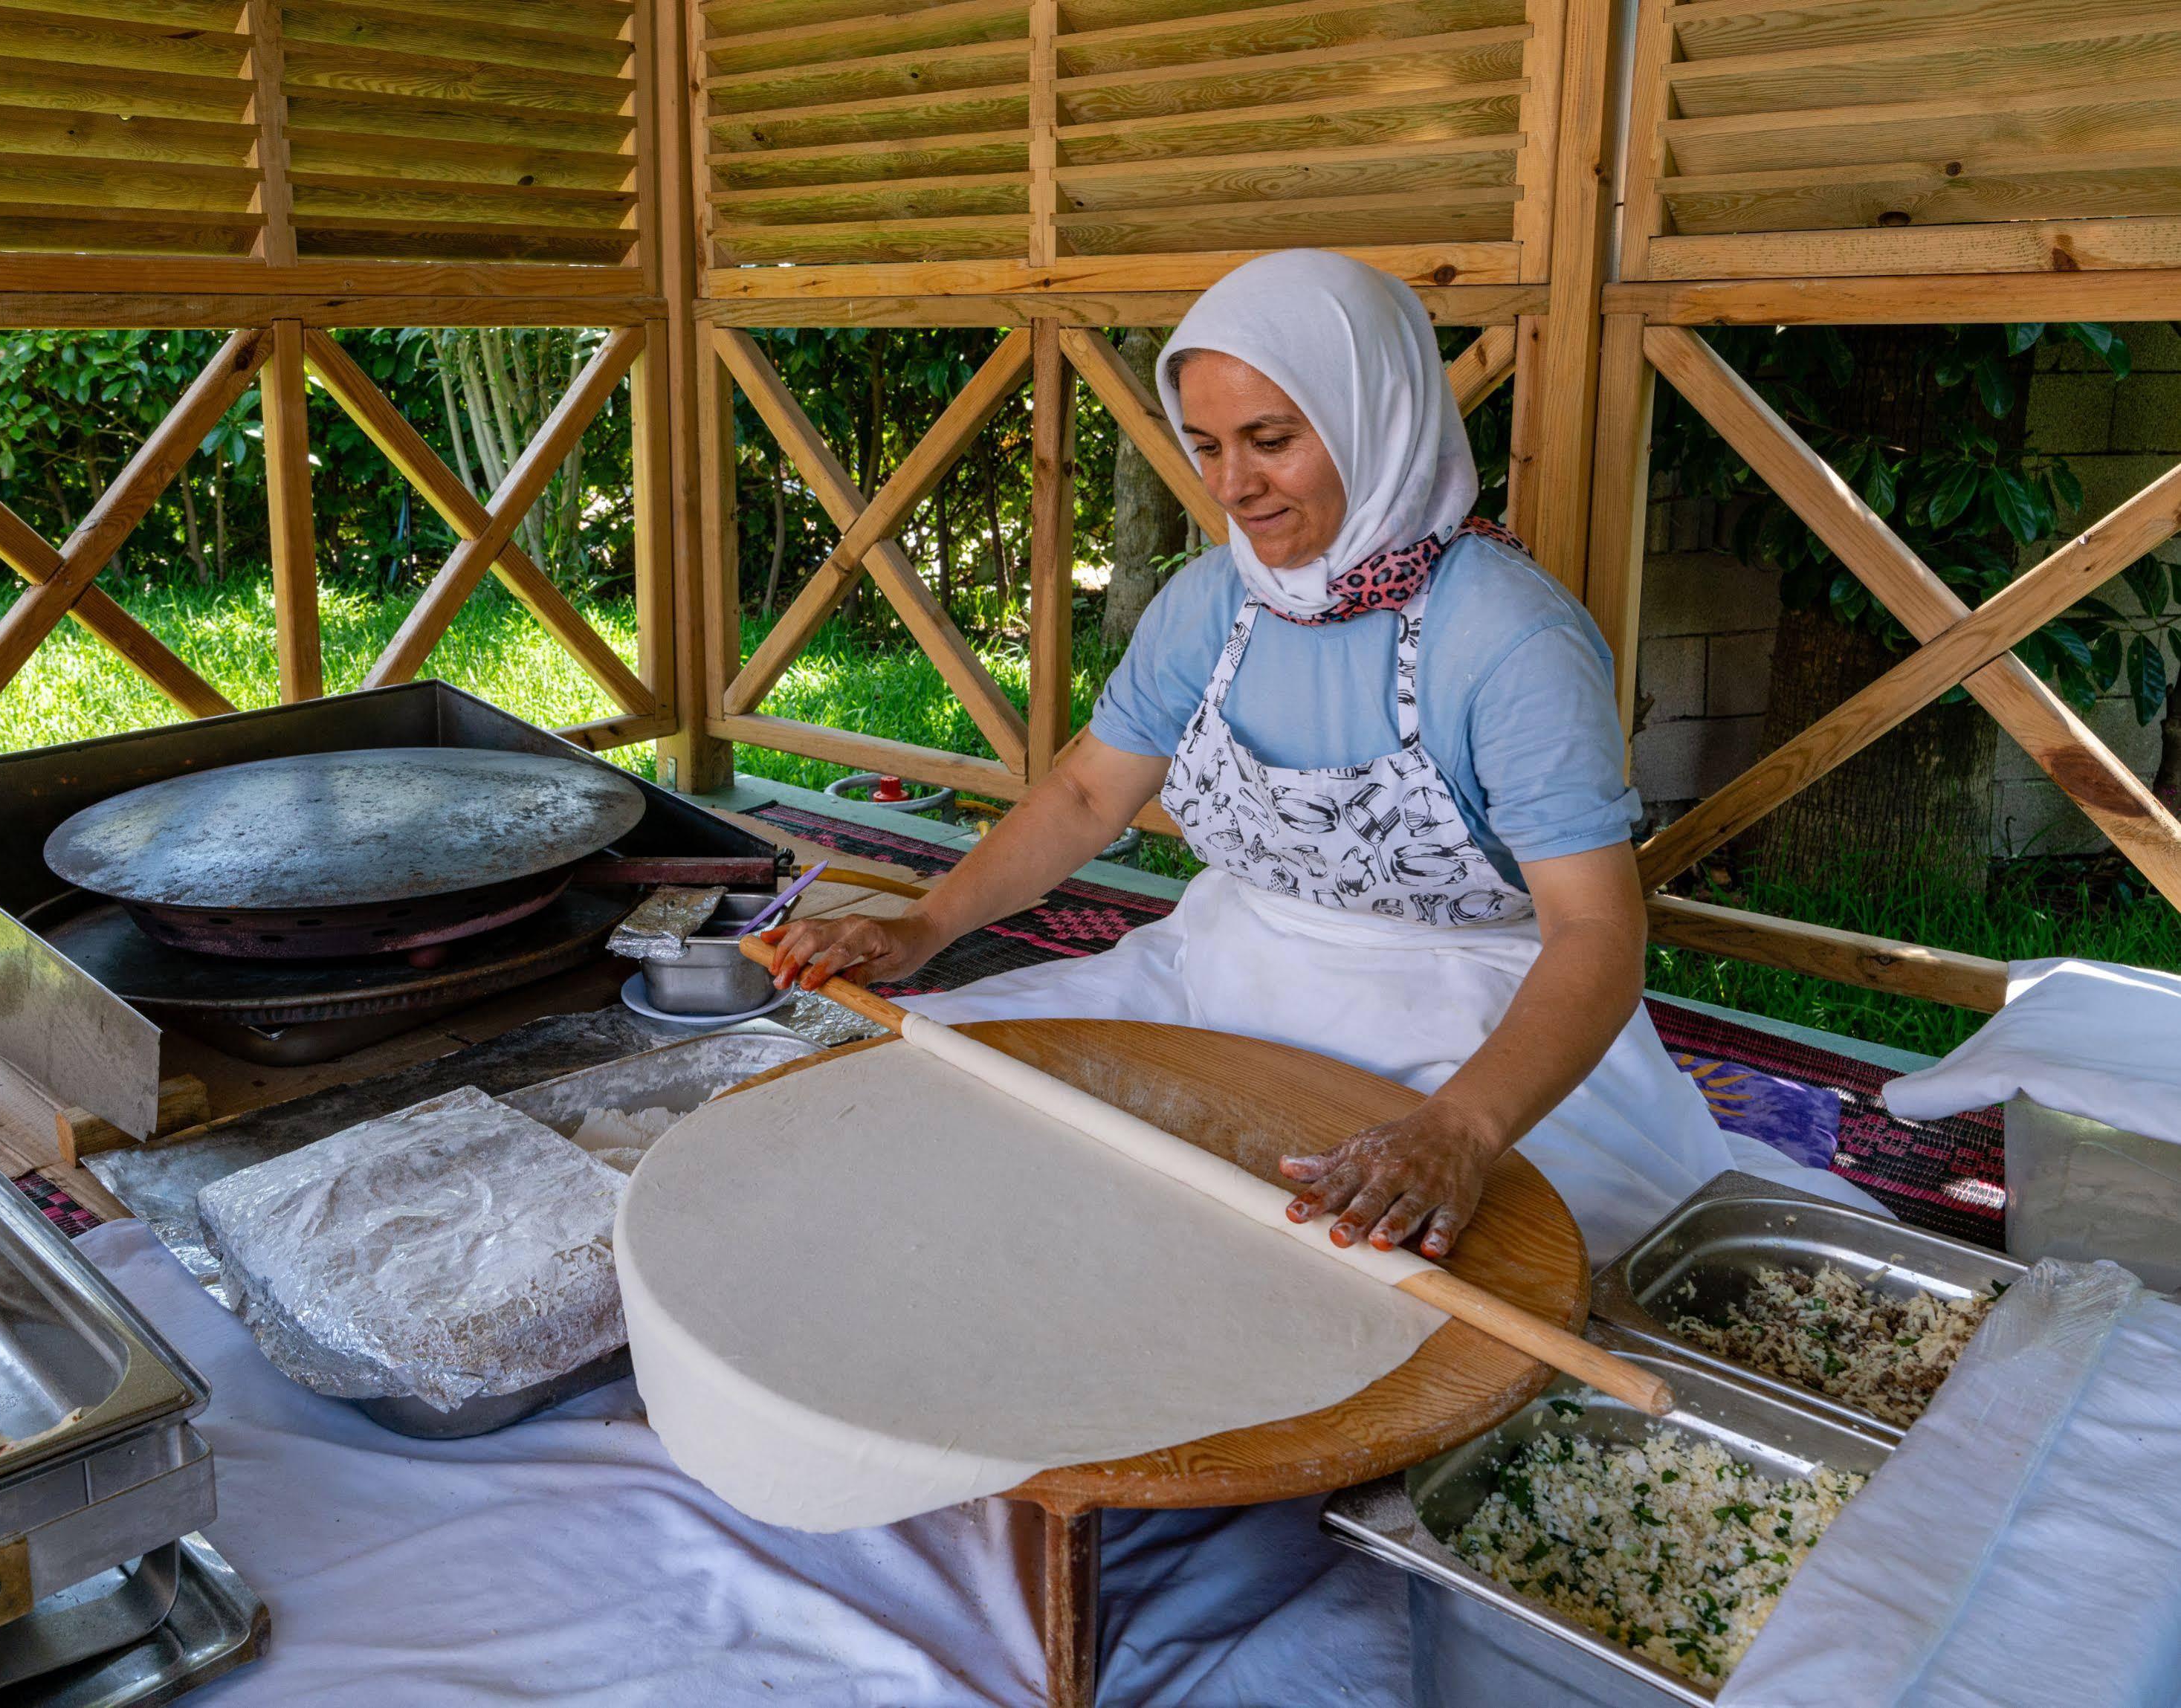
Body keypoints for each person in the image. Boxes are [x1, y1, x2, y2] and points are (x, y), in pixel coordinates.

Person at [762, 249, 1883, 1262]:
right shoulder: (1213, 603)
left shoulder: (1510, 639)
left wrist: (1463, 1128)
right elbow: (1084, 789)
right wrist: (923, 925)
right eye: (1205, 446)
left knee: (1464, 1272)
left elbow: (1594, 931)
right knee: (938, 1088)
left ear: (1374, 419)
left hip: (1469, 1024)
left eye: (1271, 440)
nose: (1233, 487)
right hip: (1223, 970)